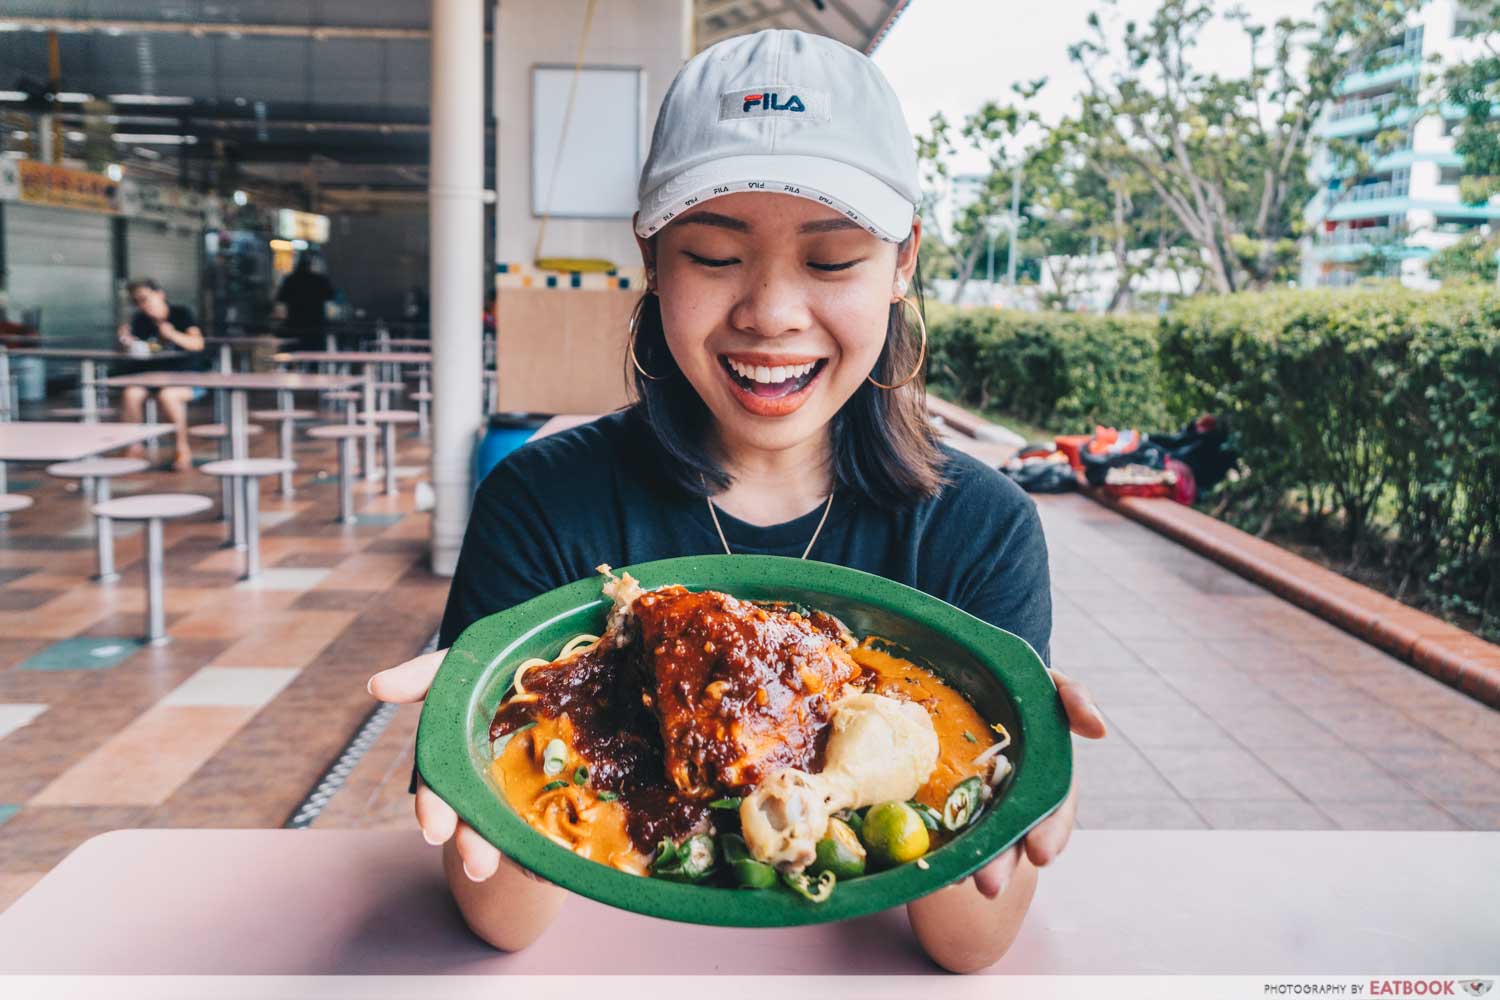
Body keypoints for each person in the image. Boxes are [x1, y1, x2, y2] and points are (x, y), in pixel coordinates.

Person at [368, 29, 1106, 974]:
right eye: (714, 255)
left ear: (903, 262)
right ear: (653, 257)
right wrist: (485, 739)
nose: (771, 311)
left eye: (833, 261)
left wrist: (1017, 778)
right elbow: (500, 922)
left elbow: (967, 946)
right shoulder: (541, 502)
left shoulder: (980, 527)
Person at [116, 278, 207, 471]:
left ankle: (182, 449)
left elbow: (198, 344)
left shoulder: (181, 314)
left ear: (160, 294)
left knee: (168, 395)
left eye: (145, 299)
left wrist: (172, 334)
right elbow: (140, 351)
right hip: (152, 377)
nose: (143, 304)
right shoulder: (140, 320)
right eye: (137, 301)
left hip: (187, 377)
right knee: (131, 393)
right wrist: (127, 343)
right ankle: (133, 446)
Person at [274, 252, 335, 351]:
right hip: (315, 325)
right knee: (314, 357)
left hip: (295, 323)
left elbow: (280, 298)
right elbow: (330, 296)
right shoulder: (319, 279)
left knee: (293, 355)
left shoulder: (291, 279)